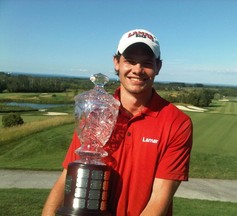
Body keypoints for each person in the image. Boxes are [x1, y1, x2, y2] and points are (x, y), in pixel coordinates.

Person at [42, 29, 193, 216]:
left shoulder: (177, 123)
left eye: (146, 63)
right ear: (116, 63)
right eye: (130, 61)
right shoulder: (95, 112)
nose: (137, 70)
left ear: (158, 67)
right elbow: (69, 175)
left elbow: (159, 199)